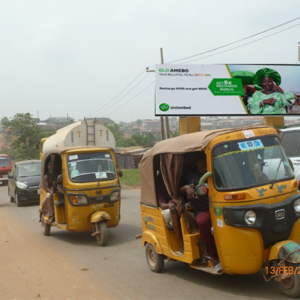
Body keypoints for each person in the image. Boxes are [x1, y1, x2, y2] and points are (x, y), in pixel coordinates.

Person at [180, 154, 222, 273]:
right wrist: (187, 188)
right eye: (202, 166)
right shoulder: (190, 174)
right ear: (196, 164)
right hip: (202, 209)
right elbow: (180, 189)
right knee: (203, 223)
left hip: (218, 207)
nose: (205, 169)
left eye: (206, 166)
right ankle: (214, 257)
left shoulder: (215, 172)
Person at [155, 170, 184, 254]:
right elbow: (162, 205)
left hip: (177, 204)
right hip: (166, 209)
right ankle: (181, 244)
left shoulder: (174, 181)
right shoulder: (158, 184)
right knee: (173, 211)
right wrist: (169, 205)